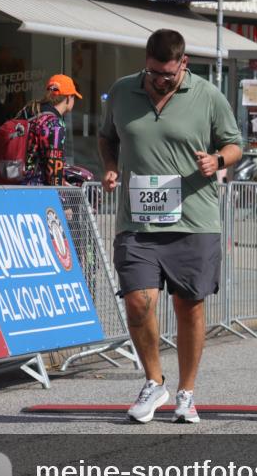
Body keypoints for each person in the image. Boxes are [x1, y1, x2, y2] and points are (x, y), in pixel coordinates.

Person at [99, 29, 242, 424]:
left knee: (189, 307)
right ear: (145, 62)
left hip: (194, 220)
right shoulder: (123, 91)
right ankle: (153, 381)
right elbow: (107, 137)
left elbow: (235, 144)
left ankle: (186, 392)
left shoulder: (208, 96)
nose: (160, 81)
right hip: (137, 222)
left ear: (184, 65)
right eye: (154, 73)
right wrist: (111, 168)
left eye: (169, 74)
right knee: (137, 301)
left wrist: (218, 160)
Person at [17, 74, 81, 186]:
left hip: (15, 183)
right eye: (74, 97)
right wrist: (60, 192)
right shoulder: (55, 124)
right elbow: (54, 170)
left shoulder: (29, 110)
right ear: (68, 97)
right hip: (36, 190)